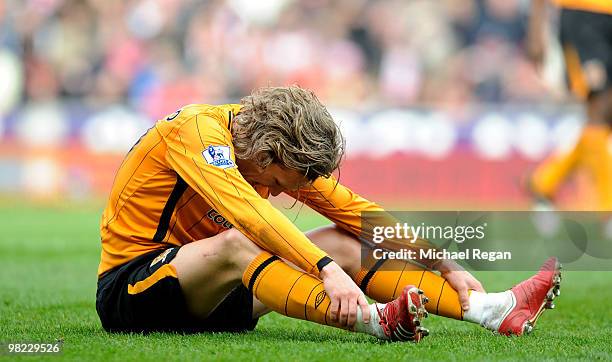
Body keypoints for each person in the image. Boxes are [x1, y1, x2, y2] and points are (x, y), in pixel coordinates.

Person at [96, 86, 561, 342]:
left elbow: (357, 211)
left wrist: (445, 263)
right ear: (265, 152)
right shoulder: (194, 133)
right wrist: (326, 270)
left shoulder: (275, 151)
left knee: (348, 239)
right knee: (241, 242)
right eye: (279, 183)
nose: (280, 192)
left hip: (223, 296)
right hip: (132, 291)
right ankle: (375, 320)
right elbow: (251, 214)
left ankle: (490, 311)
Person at [527, 0, 612, 210]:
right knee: (599, 107)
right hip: (585, 16)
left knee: (606, 114)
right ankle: (607, 206)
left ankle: (544, 181)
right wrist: (536, 29)